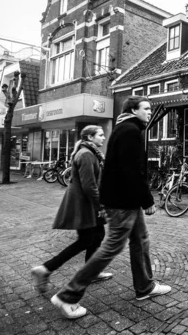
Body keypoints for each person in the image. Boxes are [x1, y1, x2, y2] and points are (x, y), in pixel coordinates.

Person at [50, 96, 171, 319]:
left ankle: (145, 286)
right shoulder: (130, 131)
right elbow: (132, 169)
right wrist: (147, 200)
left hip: (125, 199)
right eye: (145, 108)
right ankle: (68, 295)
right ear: (133, 110)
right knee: (111, 247)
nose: (149, 112)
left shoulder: (124, 128)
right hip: (124, 201)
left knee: (141, 239)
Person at [31, 125, 112, 294]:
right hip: (83, 204)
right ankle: (45, 269)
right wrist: (101, 206)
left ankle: (92, 272)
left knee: (98, 235)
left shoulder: (89, 153)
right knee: (86, 240)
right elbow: (89, 186)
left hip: (85, 202)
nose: (103, 138)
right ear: (90, 137)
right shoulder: (87, 154)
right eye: (101, 135)